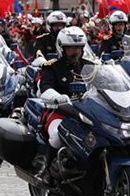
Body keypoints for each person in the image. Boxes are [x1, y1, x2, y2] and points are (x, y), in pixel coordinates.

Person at [36, 26, 96, 183]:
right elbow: (45, 88)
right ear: (61, 48)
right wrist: (57, 97)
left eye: (78, 48)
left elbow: (103, 84)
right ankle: (47, 171)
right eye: (71, 48)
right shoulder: (52, 66)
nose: (75, 52)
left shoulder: (89, 66)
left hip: (87, 112)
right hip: (58, 112)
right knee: (57, 136)